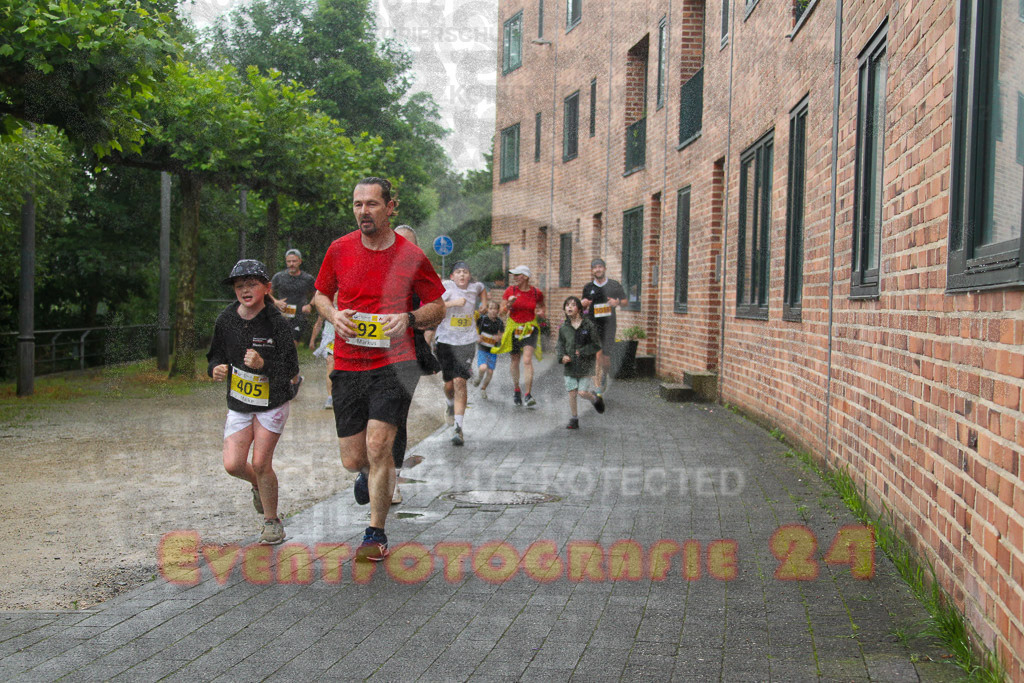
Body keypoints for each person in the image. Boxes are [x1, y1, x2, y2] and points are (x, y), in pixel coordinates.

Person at [312, 178, 445, 560]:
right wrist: (334, 315)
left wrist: (408, 318)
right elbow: (320, 294)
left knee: (378, 445)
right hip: (349, 364)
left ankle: (375, 534)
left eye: (371, 204)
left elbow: (437, 306)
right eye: (357, 204)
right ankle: (366, 475)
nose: (363, 211)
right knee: (355, 458)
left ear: (391, 207)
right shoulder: (339, 249)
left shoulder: (411, 256)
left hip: (394, 364)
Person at [206, 259, 300, 545]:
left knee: (260, 462)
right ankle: (260, 486)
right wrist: (215, 369)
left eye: (251, 284)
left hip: (273, 401)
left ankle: (272, 522)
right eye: (239, 286)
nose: (245, 290)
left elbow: (292, 370)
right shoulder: (226, 319)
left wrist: (264, 363)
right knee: (233, 464)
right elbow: (214, 355)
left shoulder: (277, 323)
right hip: (240, 401)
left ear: (266, 288)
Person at [390, 224, 439, 504]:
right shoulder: (375, 272)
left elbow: (436, 312)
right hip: (372, 353)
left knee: (396, 416)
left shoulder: (422, 277)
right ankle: (370, 471)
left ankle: (393, 480)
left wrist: (419, 325)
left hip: (408, 354)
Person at [435, 261, 487, 446]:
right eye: (458, 272)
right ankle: (450, 405)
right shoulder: (446, 286)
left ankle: (458, 428)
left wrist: (485, 303)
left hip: (466, 342)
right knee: (449, 385)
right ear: (452, 276)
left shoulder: (474, 287)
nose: (462, 275)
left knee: (460, 382)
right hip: (446, 342)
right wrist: (453, 303)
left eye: (465, 272)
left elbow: (482, 289)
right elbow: (435, 306)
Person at [492, 265, 544, 407]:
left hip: (530, 328)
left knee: (527, 360)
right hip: (514, 327)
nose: (514, 278)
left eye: (517, 275)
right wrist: (509, 304)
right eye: (513, 275)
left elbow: (541, 305)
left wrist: (540, 313)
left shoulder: (536, 292)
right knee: (515, 360)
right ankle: (516, 389)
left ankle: (528, 394)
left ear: (526, 277)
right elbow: (502, 313)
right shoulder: (510, 291)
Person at [556, 296, 605, 429]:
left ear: (579, 309)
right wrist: (562, 357)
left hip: (585, 365)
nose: (569, 307)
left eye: (572, 305)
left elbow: (596, 345)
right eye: (567, 305)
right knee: (572, 393)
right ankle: (574, 419)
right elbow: (559, 345)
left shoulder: (588, 325)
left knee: (582, 393)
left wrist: (583, 351)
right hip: (570, 366)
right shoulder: (564, 328)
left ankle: (595, 399)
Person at [581, 258, 627, 395]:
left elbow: (625, 302)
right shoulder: (588, 287)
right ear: (592, 271)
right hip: (593, 325)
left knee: (606, 358)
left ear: (605, 269)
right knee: (598, 353)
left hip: (609, 325)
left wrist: (616, 302)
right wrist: (583, 303)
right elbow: (583, 303)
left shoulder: (614, 285)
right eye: (595, 268)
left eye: (600, 267)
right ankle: (598, 384)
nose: (598, 269)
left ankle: (604, 375)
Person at [271, 248, 317, 347]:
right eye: (289, 261)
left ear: (300, 261)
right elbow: (267, 293)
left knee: (292, 343)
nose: (291, 264)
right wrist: (276, 302)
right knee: (279, 342)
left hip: (299, 315)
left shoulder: (307, 278)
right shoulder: (279, 277)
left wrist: (310, 305)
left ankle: (288, 361)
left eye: (294, 261)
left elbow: (317, 294)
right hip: (283, 314)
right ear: (286, 262)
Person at [473, 300, 504, 400]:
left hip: (493, 351)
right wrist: (477, 336)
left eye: (495, 309)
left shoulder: (499, 322)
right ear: (487, 310)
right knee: (482, 368)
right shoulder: (482, 320)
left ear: (498, 310)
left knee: (490, 372)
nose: (493, 311)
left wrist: (499, 338)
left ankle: (483, 388)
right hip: (482, 349)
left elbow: (502, 335)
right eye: (491, 308)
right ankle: (479, 378)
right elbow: (473, 328)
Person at [309, 310, 336, 409]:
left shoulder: (350, 302)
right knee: (330, 365)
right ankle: (330, 397)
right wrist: (312, 340)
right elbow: (318, 323)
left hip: (345, 338)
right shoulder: (326, 304)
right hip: (330, 340)